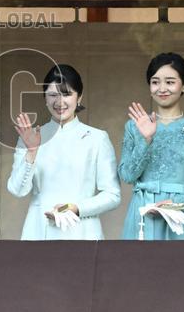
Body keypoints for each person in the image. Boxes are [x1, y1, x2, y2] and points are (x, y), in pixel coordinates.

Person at [7, 64, 120, 240]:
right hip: (39, 230)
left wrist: (76, 208)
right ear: (45, 98)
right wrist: (31, 152)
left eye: (67, 94)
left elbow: (112, 195)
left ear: (79, 97)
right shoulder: (31, 137)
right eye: (53, 95)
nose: (59, 102)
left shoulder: (97, 138)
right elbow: (17, 190)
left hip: (82, 231)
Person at [119, 53, 184, 240]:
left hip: (180, 215)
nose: (162, 88)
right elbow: (127, 175)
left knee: (181, 260)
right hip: (143, 214)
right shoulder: (134, 126)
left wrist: (175, 203)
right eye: (155, 82)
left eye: (170, 82)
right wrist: (146, 140)